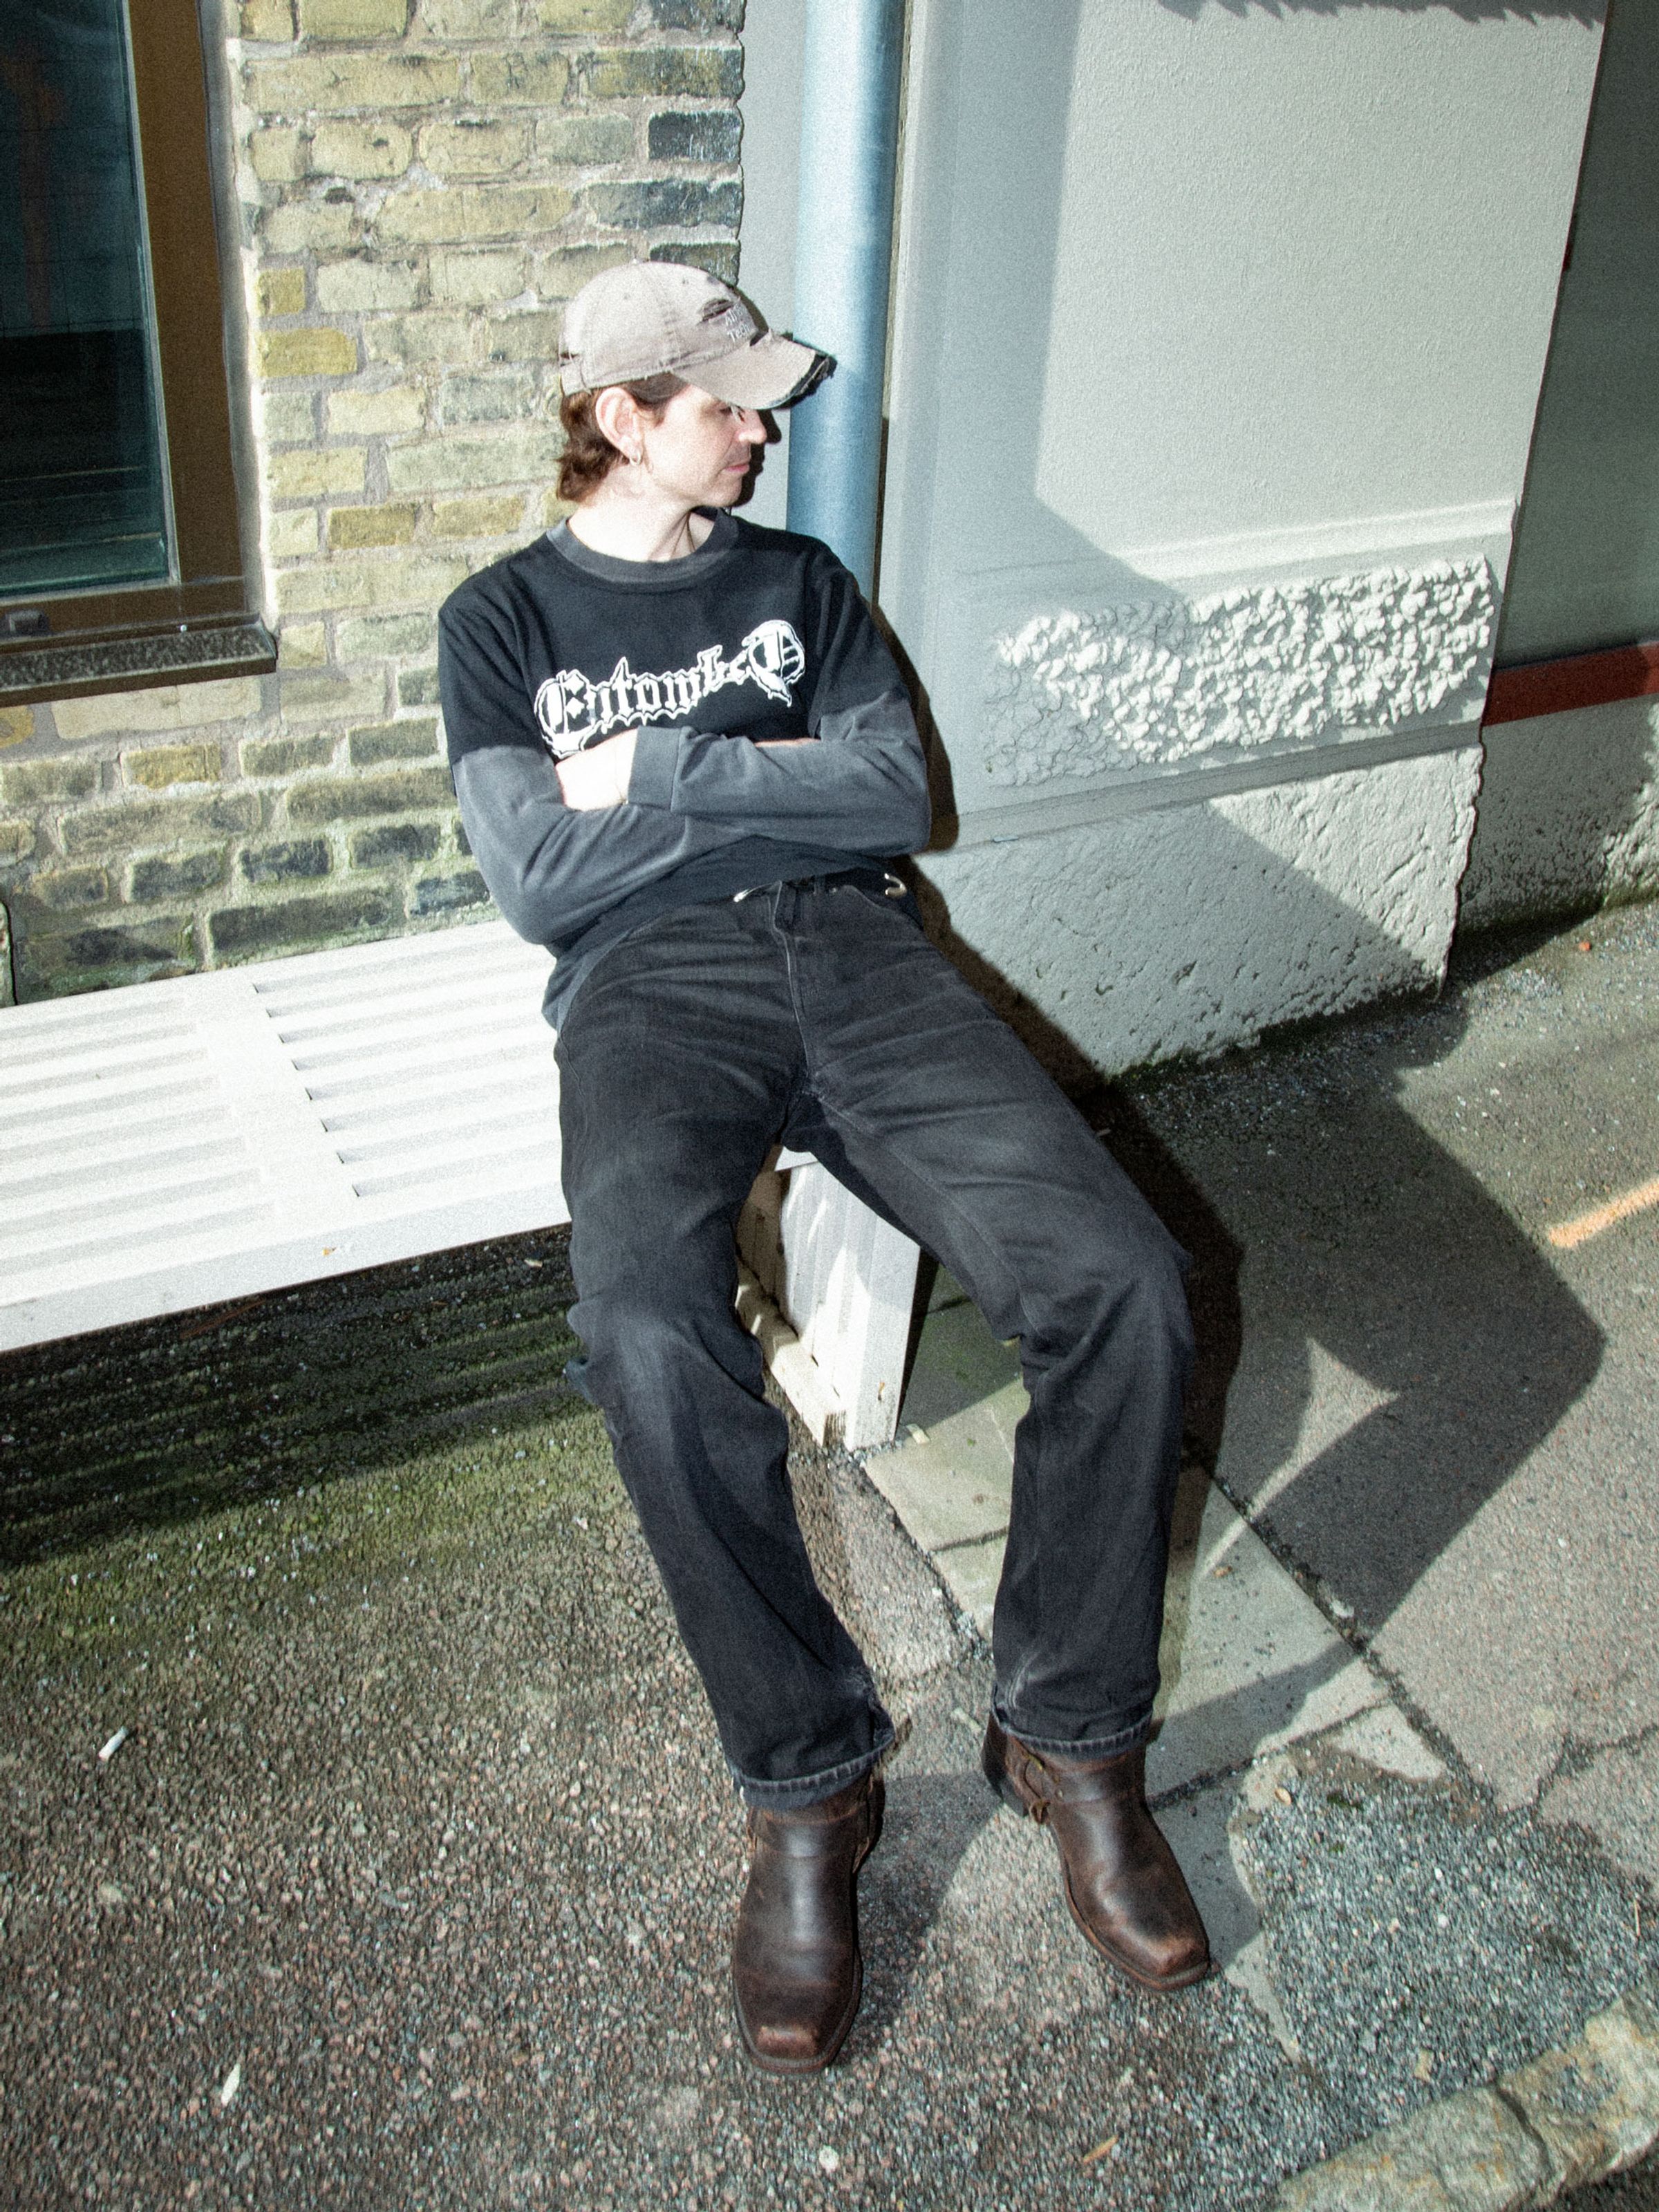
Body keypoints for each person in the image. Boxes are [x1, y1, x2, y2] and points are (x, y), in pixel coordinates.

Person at [438, 259, 1210, 2076]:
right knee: (641, 1328)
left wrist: (660, 763)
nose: (766, 426)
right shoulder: (501, 621)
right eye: (729, 403)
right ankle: (808, 1789)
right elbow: (538, 885)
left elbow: (893, 801)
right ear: (626, 418)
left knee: (1124, 1280)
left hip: (862, 956)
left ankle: (1073, 1742)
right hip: (649, 992)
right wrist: (753, 770)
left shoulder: (800, 583)